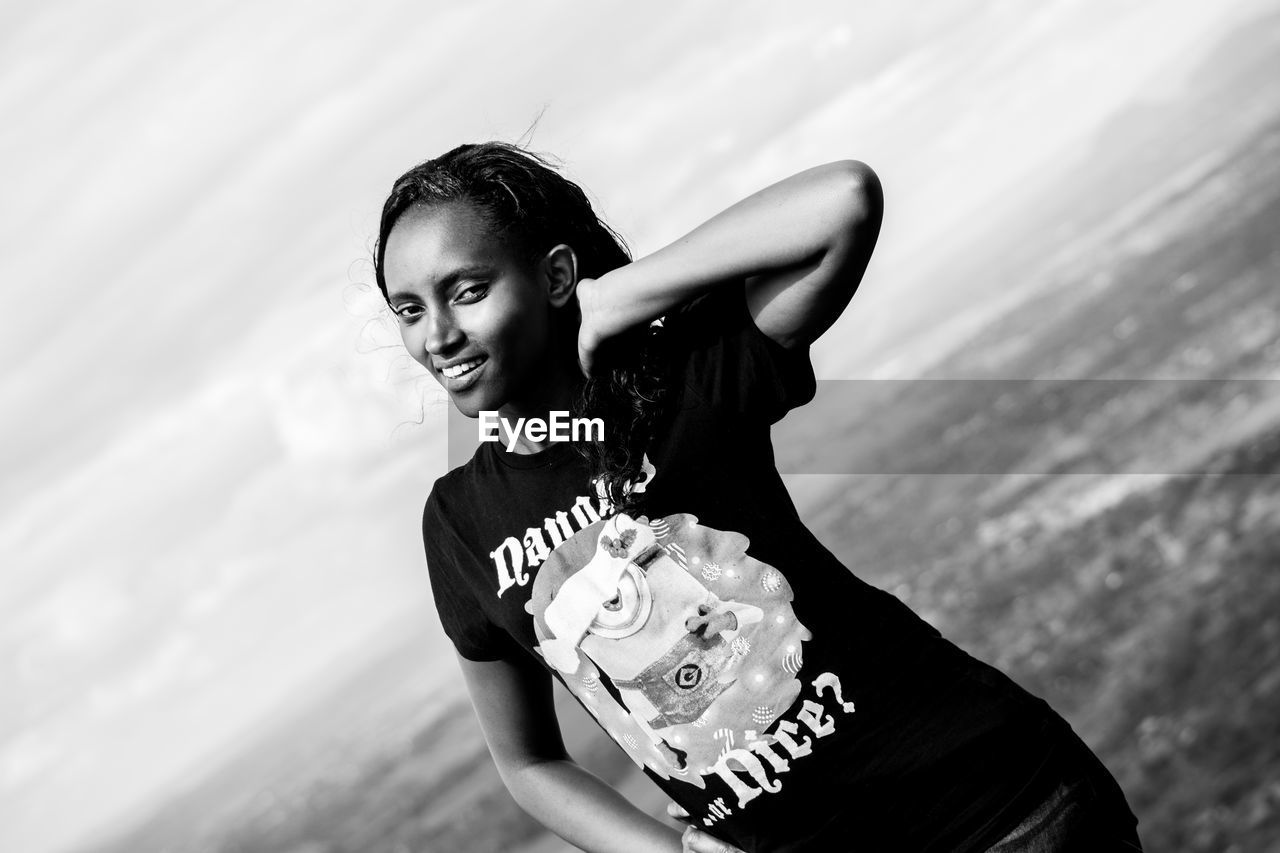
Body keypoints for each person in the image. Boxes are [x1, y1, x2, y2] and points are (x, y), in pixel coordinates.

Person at [372, 141, 1144, 852]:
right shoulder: (459, 525)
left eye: (466, 291)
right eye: (410, 309)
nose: (437, 335)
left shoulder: (679, 384)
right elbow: (530, 761)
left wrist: (614, 299)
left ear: (554, 276)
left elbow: (842, 200)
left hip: (999, 813)